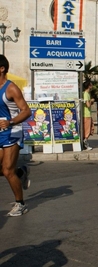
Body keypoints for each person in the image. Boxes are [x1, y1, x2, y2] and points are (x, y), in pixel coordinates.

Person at [0, 55, 32, 216]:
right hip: (0, 133)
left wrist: (10, 122)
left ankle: (20, 204)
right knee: (4, 170)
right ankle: (20, 173)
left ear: (2, 69)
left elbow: (26, 111)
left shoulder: (10, 88)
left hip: (12, 132)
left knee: (7, 170)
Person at [82, 80, 95, 150]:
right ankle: (85, 144)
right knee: (87, 130)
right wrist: (91, 101)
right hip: (86, 114)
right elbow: (88, 104)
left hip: (88, 114)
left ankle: (85, 143)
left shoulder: (87, 94)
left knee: (90, 128)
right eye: (91, 85)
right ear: (89, 86)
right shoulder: (86, 94)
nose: (92, 86)